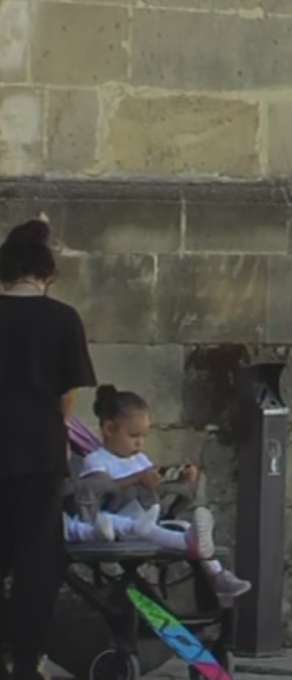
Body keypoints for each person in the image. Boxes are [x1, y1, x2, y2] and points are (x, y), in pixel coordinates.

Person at [0, 221, 97, 680]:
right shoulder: (62, 319)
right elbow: (66, 396)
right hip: (39, 448)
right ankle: (25, 658)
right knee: (37, 558)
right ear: (46, 272)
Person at [67, 386, 252, 602]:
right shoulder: (97, 460)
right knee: (155, 532)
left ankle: (218, 576)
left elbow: (152, 487)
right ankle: (191, 546)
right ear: (109, 429)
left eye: (144, 436)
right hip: (115, 523)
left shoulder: (139, 459)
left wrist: (181, 480)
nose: (140, 443)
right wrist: (137, 479)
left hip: (147, 516)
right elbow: (100, 489)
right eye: (133, 436)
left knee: (183, 527)